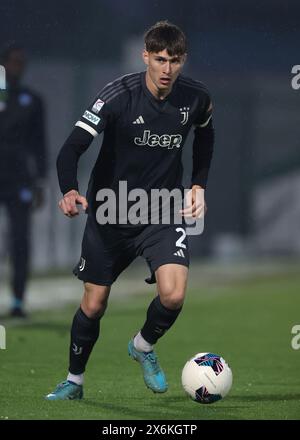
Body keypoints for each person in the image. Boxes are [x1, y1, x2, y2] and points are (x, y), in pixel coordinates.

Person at [46, 20, 214, 400]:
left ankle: (142, 346)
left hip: (161, 212)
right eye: (160, 59)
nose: (167, 69)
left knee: (173, 295)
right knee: (94, 303)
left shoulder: (197, 97)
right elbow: (71, 148)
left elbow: (206, 133)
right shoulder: (116, 96)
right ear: (146, 57)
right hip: (111, 211)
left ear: (183, 60)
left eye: (174, 60)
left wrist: (198, 184)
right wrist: (69, 190)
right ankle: (74, 382)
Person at [0, 44, 47, 318]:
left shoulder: (33, 100)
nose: (18, 67)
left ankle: (18, 300)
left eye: (22, 62)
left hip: (19, 179)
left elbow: (39, 144)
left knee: (20, 240)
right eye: (13, 62)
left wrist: (40, 181)